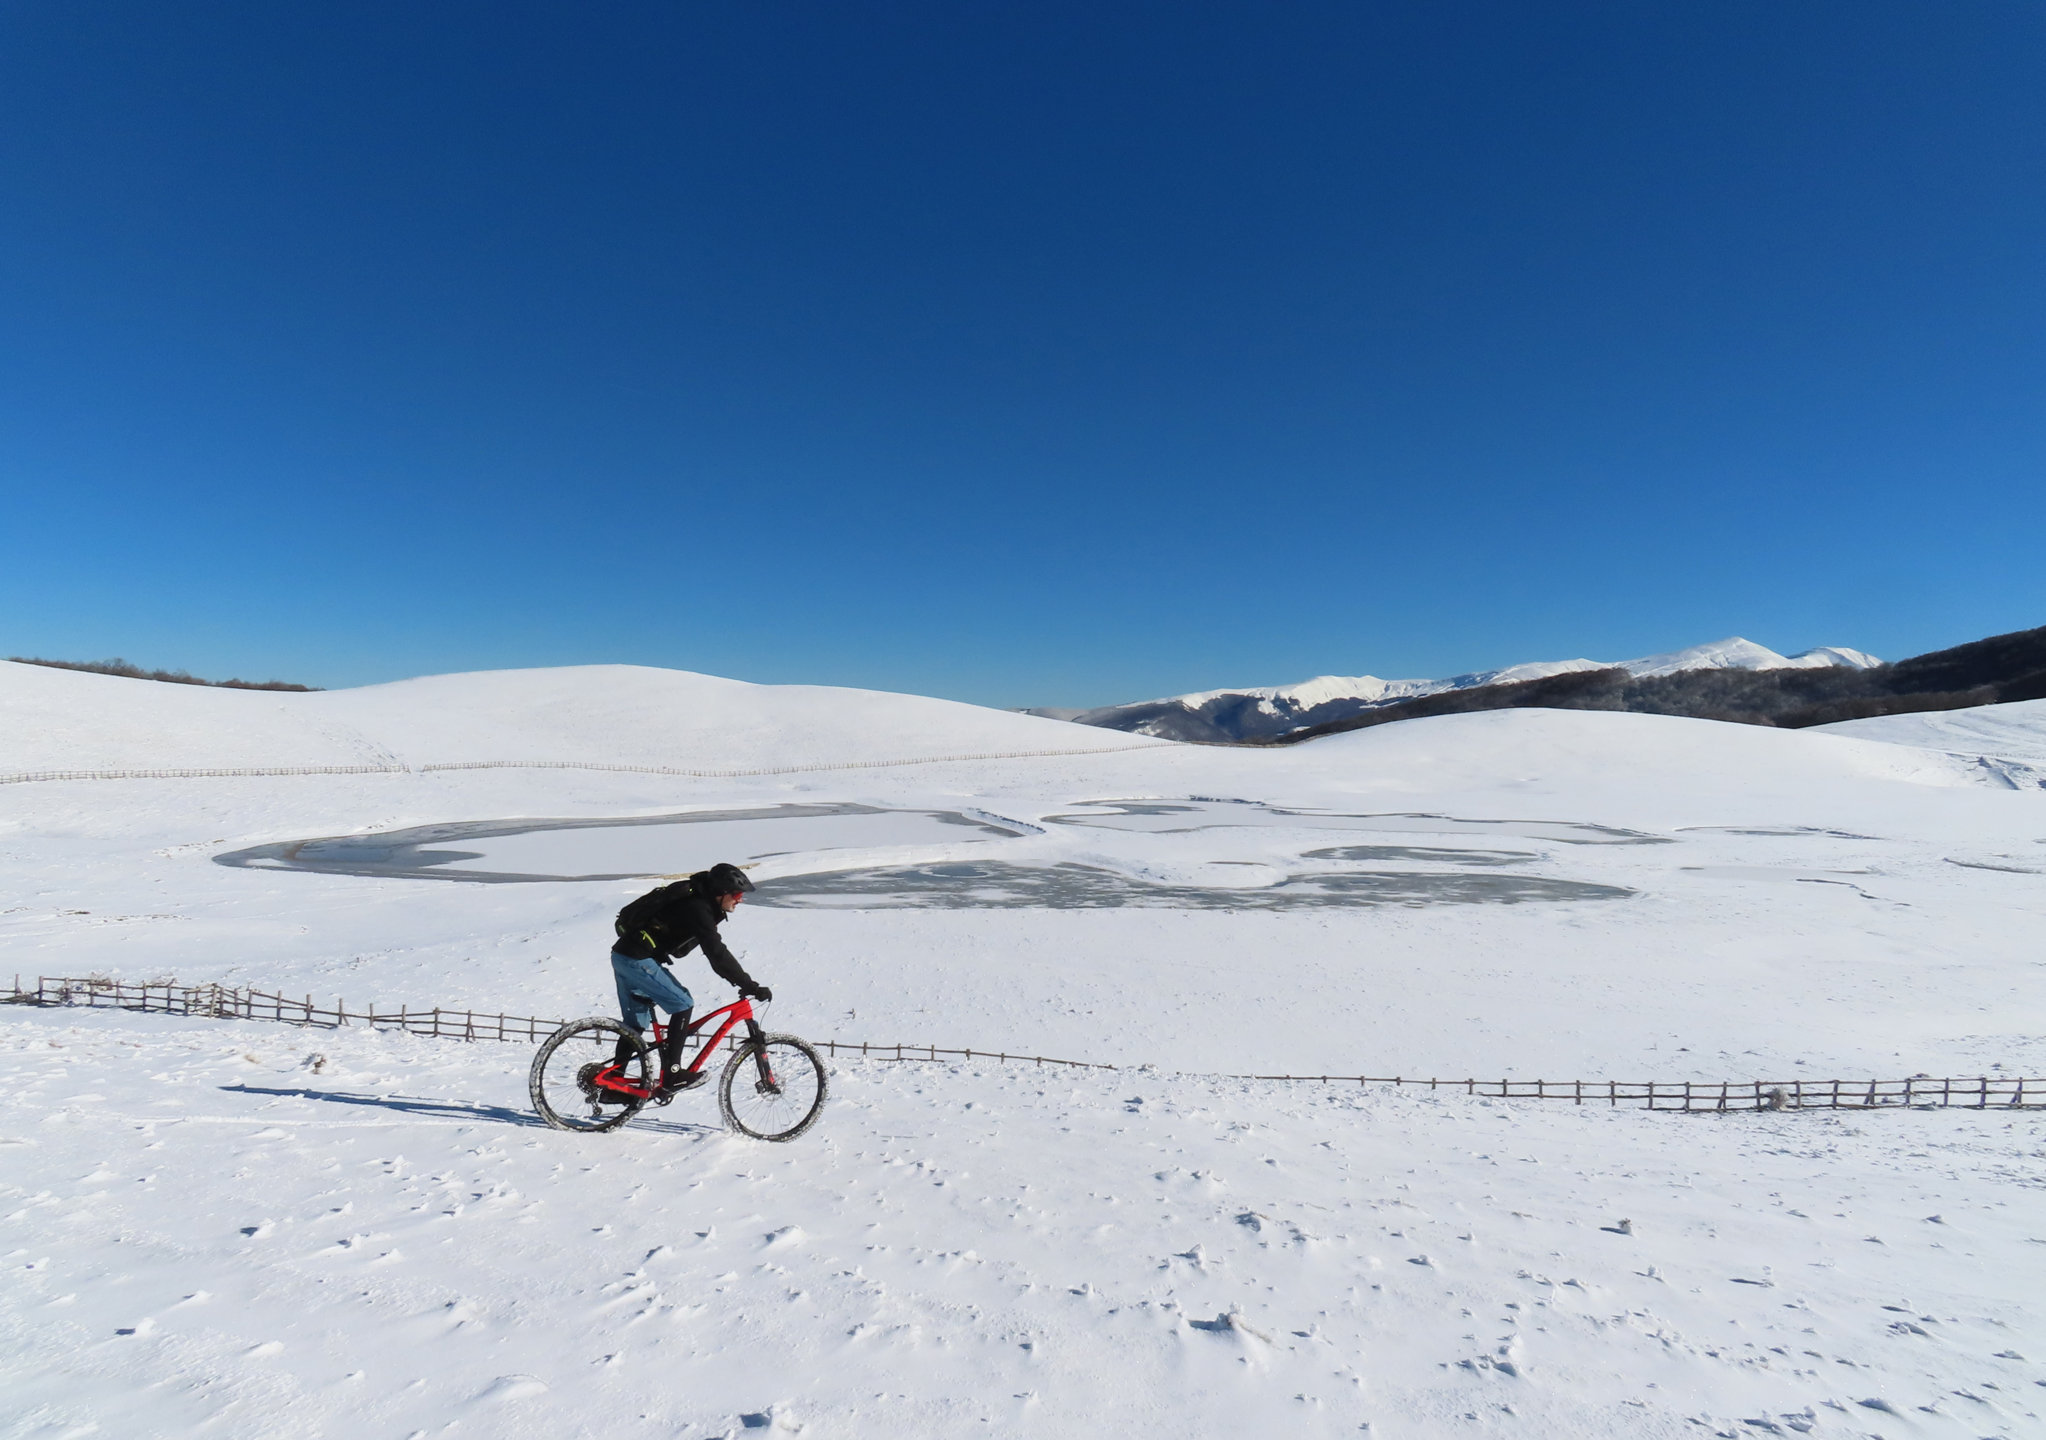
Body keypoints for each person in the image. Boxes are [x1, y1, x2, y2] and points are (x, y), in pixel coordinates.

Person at [610, 861, 772, 1095]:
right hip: (636, 959)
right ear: (721, 892)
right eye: (736, 894)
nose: (740, 899)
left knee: (635, 1025)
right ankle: (673, 1075)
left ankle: (611, 1085)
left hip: (624, 956)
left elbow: (714, 953)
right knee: (683, 1003)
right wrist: (749, 984)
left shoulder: (700, 902)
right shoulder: (698, 908)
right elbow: (716, 952)